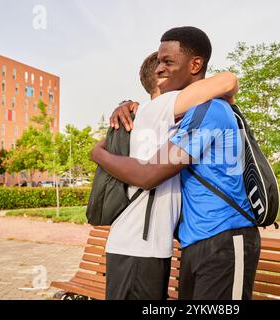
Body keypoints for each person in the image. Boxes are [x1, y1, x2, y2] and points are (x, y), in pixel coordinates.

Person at [93, 26, 261, 300]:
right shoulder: (190, 112)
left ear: (195, 65)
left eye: (168, 61)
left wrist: (97, 153)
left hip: (225, 237)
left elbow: (149, 174)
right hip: (197, 242)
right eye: (158, 62)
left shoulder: (211, 110)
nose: (160, 68)